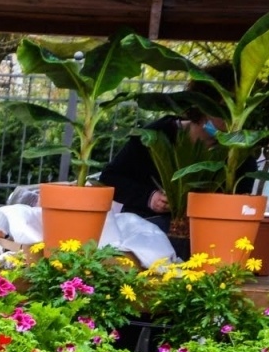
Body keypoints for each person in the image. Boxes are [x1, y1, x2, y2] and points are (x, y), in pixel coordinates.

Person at [98, 65, 234, 230]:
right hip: (146, 232)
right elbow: (111, 177)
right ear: (202, 104)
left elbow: (240, 201)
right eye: (225, 107)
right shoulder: (154, 136)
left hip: (206, 236)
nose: (231, 117)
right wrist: (150, 198)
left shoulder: (239, 152)